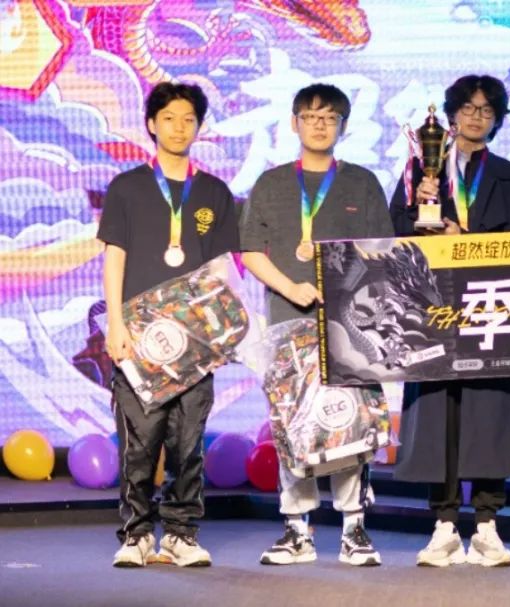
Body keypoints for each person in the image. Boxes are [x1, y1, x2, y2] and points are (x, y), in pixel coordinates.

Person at [239, 83, 394, 567]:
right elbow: (249, 253)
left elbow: (382, 252)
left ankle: (354, 530)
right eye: (310, 116)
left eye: (330, 118)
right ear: (294, 123)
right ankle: (296, 530)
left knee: (351, 424)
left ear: (343, 126)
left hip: (350, 327)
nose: (319, 125)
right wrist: (291, 286)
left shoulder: (362, 182)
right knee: (293, 423)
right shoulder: (270, 184)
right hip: (289, 323)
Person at [389, 74, 510, 568]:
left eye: (486, 110)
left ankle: (488, 525)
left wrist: (463, 238)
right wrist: (421, 207)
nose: (476, 117)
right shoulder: (419, 170)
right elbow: (394, 231)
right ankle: (445, 525)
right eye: (468, 108)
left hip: (492, 310)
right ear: (450, 117)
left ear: (497, 120)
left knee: (491, 412)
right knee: (438, 414)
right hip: (433, 309)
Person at [98, 81, 239, 568]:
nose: (179, 128)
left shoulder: (214, 191)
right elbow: (114, 259)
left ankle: (180, 533)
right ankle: (136, 534)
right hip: (139, 339)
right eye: (169, 118)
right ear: (151, 124)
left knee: (187, 443)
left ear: (199, 127)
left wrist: (222, 333)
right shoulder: (127, 187)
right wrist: (115, 325)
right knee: (139, 443)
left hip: (195, 341)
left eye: (188, 119)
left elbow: (220, 269)